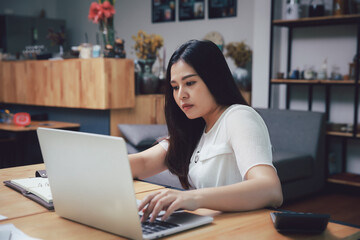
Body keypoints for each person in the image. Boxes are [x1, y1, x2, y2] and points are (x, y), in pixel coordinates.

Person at [129, 40, 283, 223]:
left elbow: (270, 189)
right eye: (175, 87)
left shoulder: (238, 117)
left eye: (190, 83)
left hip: (241, 229)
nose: (181, 95)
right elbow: (143, 162)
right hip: (210, 226)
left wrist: (193, 198)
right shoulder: (195, 127)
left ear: (214, 79)